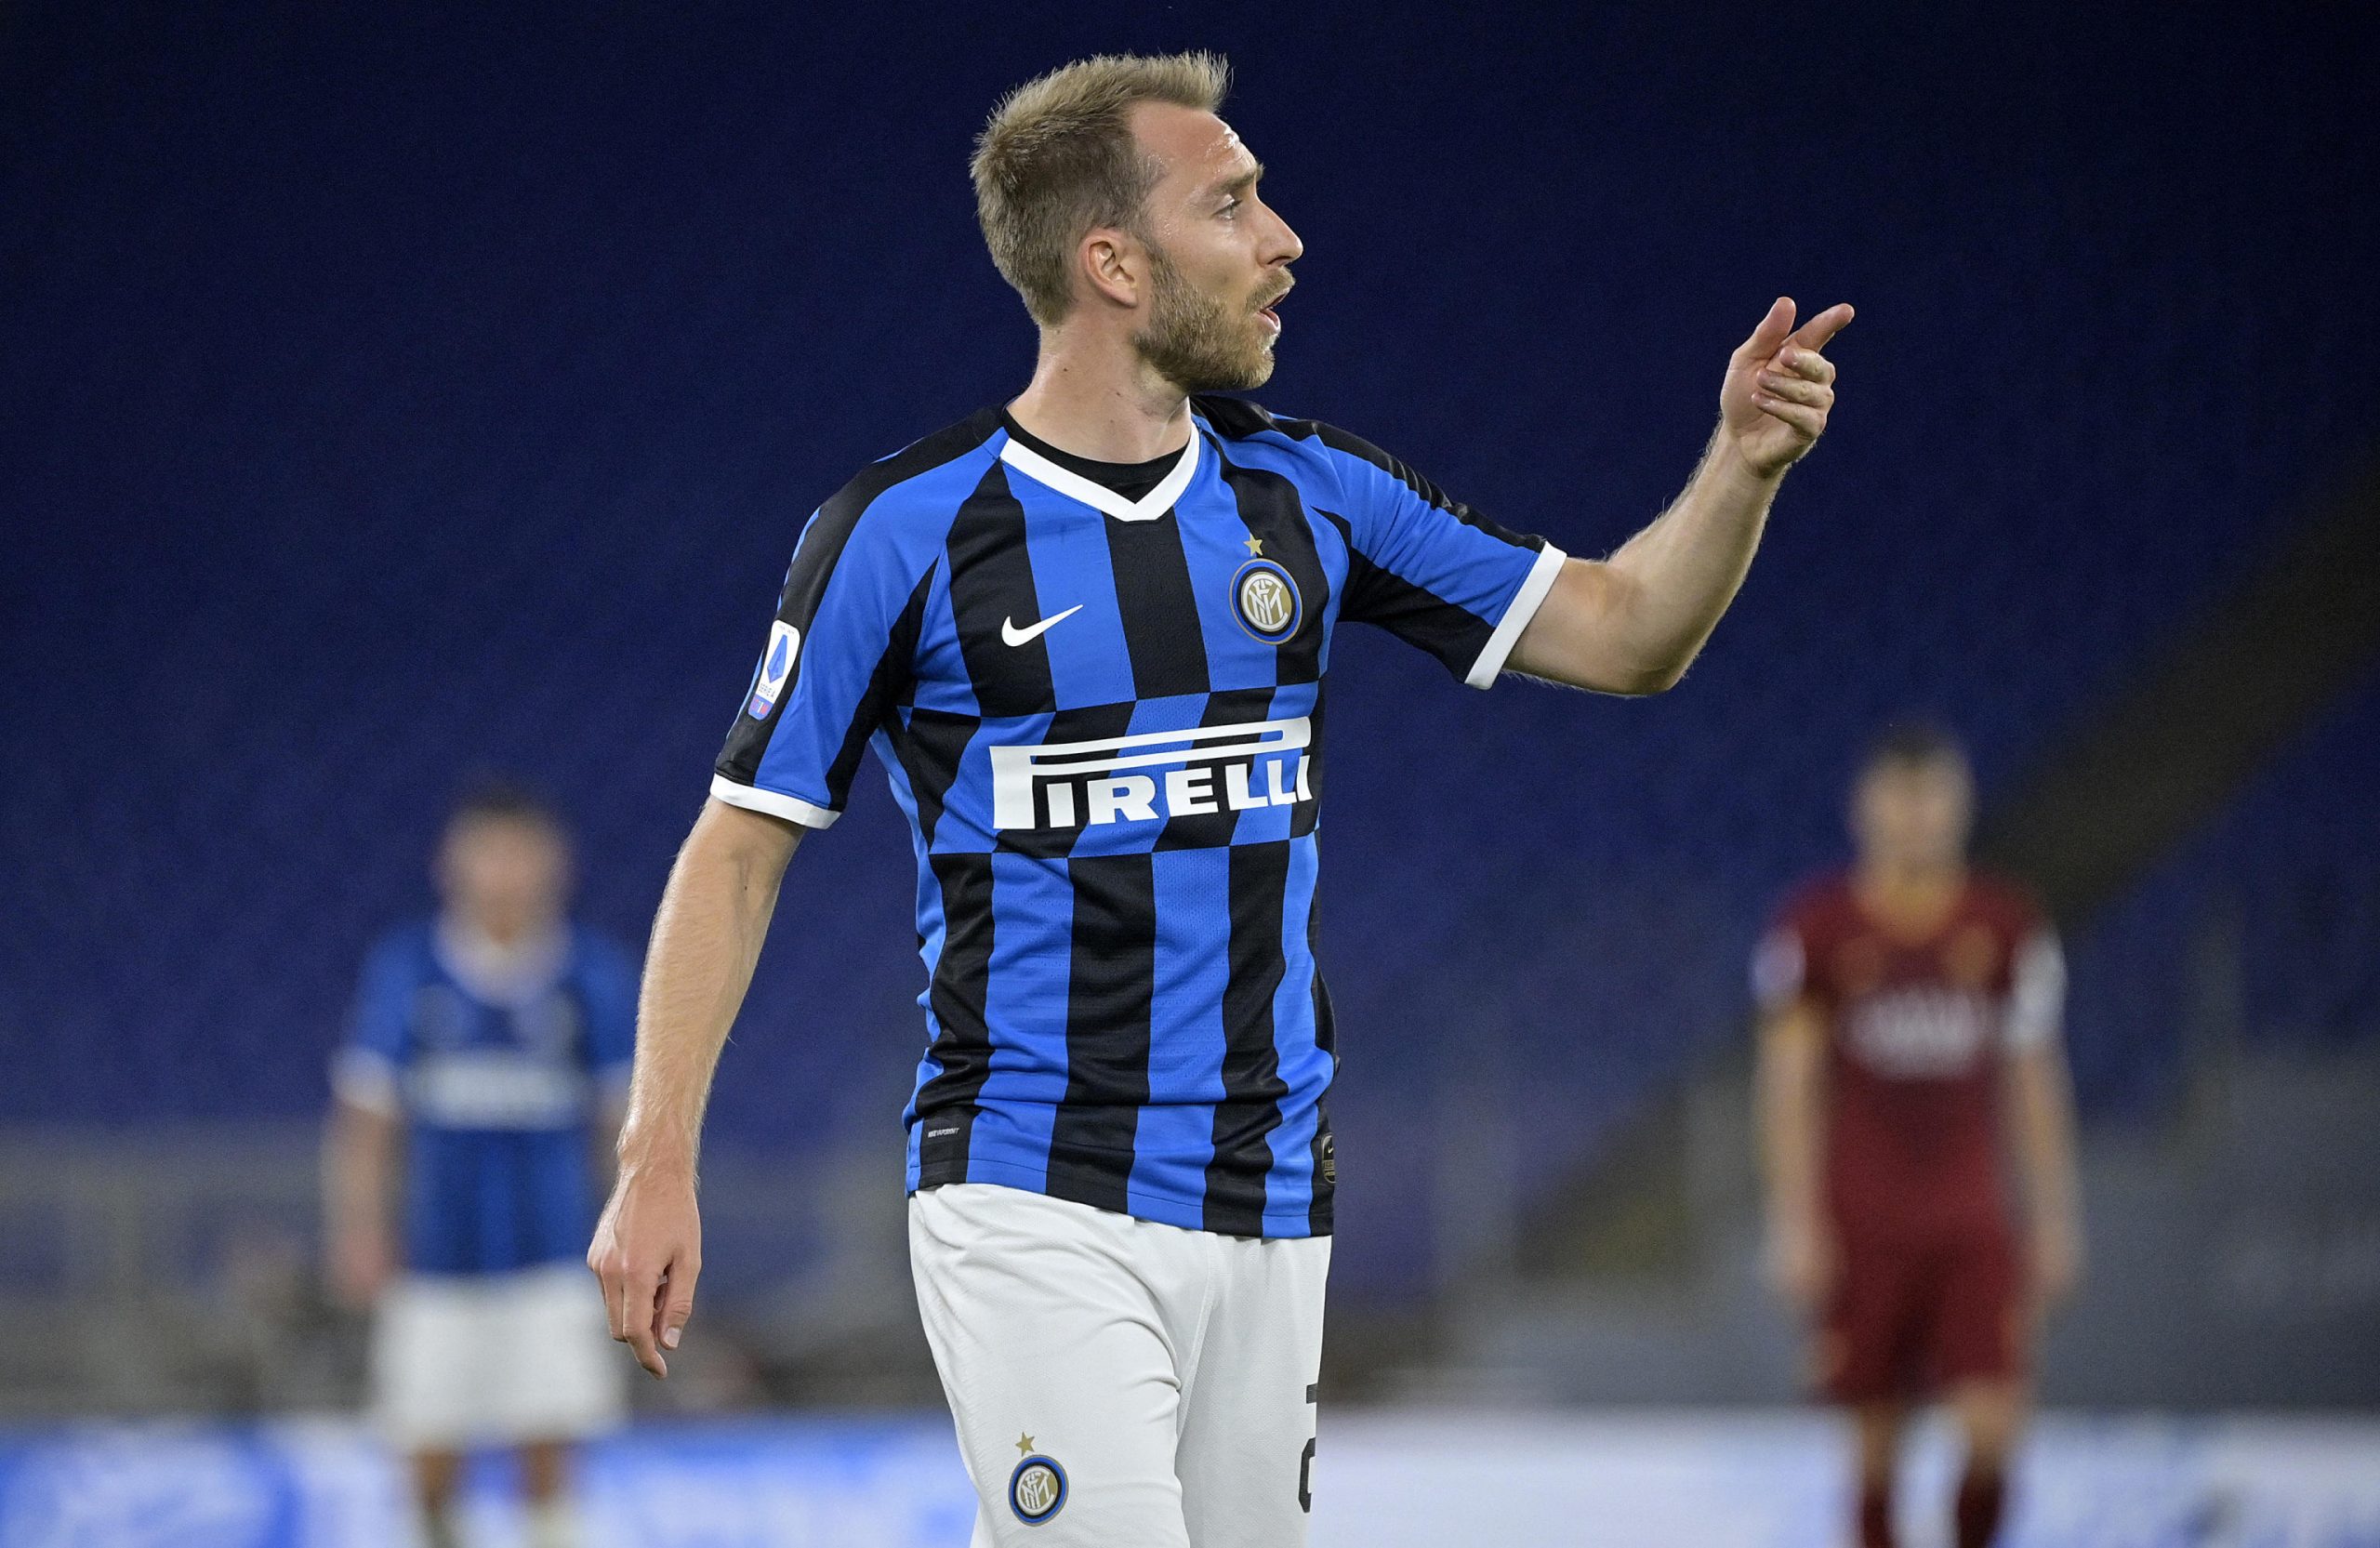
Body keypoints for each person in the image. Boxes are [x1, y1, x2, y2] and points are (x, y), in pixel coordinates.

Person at [589, 49, 1850, 1547]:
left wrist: (1745, 464)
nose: (1285, 238)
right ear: (1112, 261)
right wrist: (656, 1156)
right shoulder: (903, 533)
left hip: (1268, 1199)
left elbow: (1631, 631)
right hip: (1030, 1185)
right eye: (1235, 202)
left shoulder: (1309, 497)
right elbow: (737, 849)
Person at [1754, 724, 2083, 1548]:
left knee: (1991, 1428)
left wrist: (2052, 1214)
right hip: (1863, 1218)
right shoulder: (1816, 929)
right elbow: (1788, 1085)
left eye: (1930, 797)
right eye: (1898, 799)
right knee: (1872, 1447)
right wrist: (1794, 1221)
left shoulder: (2003, 927)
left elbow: (2035, 1081)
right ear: (1864, 808)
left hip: (1969, 1219)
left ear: (1960, 806)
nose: (1914, 818)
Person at [325, 782, 636, 1548]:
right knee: (428, 1453)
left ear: (553, 864)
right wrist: (359, 1228)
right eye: (486, 851)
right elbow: (367, 1119)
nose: (502, 872)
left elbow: (625, 1123)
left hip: (554, 1255)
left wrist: (631, 1232)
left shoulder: (589, 976)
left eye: (518, 852)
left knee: (550, 1446)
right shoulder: (410, 971)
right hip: (435, 1260)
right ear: (450, 864)